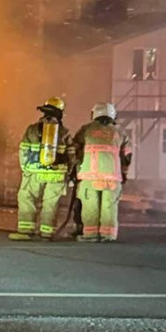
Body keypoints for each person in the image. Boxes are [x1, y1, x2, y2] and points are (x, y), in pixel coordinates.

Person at [10, 97, 72, 241]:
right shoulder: (64, 132)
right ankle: (47, 233)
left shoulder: (32, 130)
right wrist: (68, 172)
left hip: (34, 173)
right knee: (51, 203)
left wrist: (25, 169)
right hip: (56, 174)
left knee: (27, 199)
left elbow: (23, 151)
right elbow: (71, 155)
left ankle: (25, 231)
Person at [69, 102, 132, 242]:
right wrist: (124, 173)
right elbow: (127, 156)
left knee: (90, 206)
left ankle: (90, 234)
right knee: (109, 206)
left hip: (89, 177)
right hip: (112, 178)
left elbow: (73, 149)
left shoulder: (86, 130)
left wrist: (73, 167)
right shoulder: (120, 132)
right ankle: (108, 235)